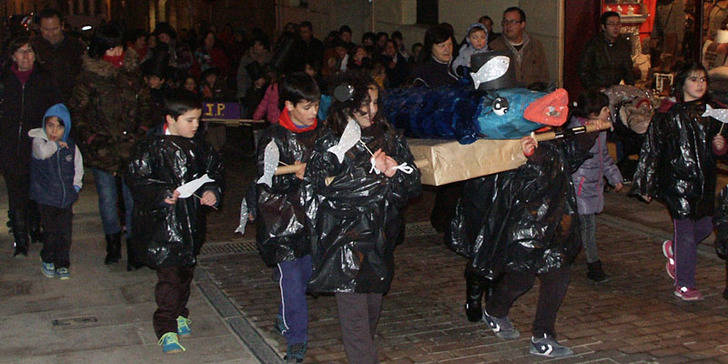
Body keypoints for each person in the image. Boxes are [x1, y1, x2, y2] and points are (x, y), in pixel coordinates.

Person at [450, 119, 612, 358]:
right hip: (526, 230)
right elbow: (519, 189)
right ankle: (494, 310)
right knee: (521, 280)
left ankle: (543, 336)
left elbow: (572, 154)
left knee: (558, 275)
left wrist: (591, 131)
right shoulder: (510, 146)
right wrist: (531, 155)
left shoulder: (555, 142)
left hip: (556, 225)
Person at [306, 71, 421, 364]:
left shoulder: (388, 135)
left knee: (370, 313)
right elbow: (322, 183)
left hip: (379, 239)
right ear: (348, 105)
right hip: (345, 241)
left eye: (375, 102)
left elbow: (412, 184)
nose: (372, 110)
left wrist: (396, 172)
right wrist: (371, 171)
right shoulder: (331, 140)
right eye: (364, 104)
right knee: (356, 323)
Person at [126, 90, 223, 354]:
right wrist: (160, 194)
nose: (196, 125)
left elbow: (214, 171)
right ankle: (166, 327)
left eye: (198, 120)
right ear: (171, 119)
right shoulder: (151, 146)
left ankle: (181, 311)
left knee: (184, 272)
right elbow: (137, 178)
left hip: (190, 222)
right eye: (189, 120)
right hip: (163, 225)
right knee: (168, 277)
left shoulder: (200, 145)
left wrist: (212, 191)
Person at [631, 62, 727, 301]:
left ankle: (675, 250)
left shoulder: (713, 111)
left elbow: (721, 145)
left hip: (704, 179)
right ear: (682, 83)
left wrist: (720, 146)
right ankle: (684, 283)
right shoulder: (668, 113)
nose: (699, 84)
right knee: (684, 229)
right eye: (694, 79)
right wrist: (645, 182)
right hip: (677, 180)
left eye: (703, 80)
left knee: (708, 223)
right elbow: (652, 148)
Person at [255, 72, 325, 363]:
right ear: (289, 105)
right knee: (293, 279)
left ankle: (285, 314)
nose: (312, 113)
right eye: (306, 107)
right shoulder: (273, 136)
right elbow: (263, 176)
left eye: (316, 106)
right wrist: (292, 176)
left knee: (309, 276)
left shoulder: (323, 133)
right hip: (281, 221)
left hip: (314, 218)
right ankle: (296, 338)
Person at [69, 24, 152, 268]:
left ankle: (134, 248)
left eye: (119, 47)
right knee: (107, 198)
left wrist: (142, 130)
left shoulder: (132, 72)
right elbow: (78, 109)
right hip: (104, 146)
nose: (117, 52)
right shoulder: (90, 76)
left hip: (131, 144)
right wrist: (91, 136)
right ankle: (113, 243)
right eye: (111, 47)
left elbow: (146, 103)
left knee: (132, 198)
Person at [0, 35, 60, 257]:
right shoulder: (5, 79)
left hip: (35, 143)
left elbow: (56, 108)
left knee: (35, 189)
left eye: (30, 51)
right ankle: (20, 237)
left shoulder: (44, 79)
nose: (25, 56)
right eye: (21, 51)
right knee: (16, 191)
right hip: (9, 145)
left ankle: (35, 228)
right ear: (13, 55)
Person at [569, 89, 624, 282]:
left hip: (592, 184)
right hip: (580, 184)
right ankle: (594, 265)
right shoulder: (580, 131)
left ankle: (568, 254)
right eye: (604, 109)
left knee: (581, 225)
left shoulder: (599, 130)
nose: (608, 112)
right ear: (593, 113)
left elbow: (605, 158)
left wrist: (615, 178)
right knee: (587, 226)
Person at [29, 103, 83, 280]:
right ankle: (48, 258)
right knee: (51, 232)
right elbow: (43, 153)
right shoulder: (39, 141)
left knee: (64, 233)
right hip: (46, 198)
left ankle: (63, 263)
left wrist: (76, 186)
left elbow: (78, 167)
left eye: (59, 127)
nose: (54, 131)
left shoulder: (72, 146)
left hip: (66, 198)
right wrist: (56, 145)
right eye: (50, 125)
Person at [31, 8, 85, 102]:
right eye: (46, 29)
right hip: (41, 102)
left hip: (71, 103)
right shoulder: (32, 47)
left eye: (55, 29)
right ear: (40, 28)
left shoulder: (76, 47)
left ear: (62, 26)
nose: (51, 34)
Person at [489, 7, 549, 88]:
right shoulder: (494, 47)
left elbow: (544, 76)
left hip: (533, 94)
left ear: (522, 24)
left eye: (513, 22)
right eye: (505, 21)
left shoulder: (535, 45)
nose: (508, 25)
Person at [578, 11, 635, 90]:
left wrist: (631, 88)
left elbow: (628, 70)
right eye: (611, 24)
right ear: (603, 27)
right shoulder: (594, 45)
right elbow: (584, 71)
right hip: (596, 90)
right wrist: (594, 88)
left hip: (615, 89)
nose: (616, 27)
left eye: (618, 24)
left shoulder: (623, 45)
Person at [411, 24, 458, 88]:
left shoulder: (459, 64)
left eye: (450, 44)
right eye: (442, 46)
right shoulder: (424, 74)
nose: (447, 49)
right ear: (430, 47)